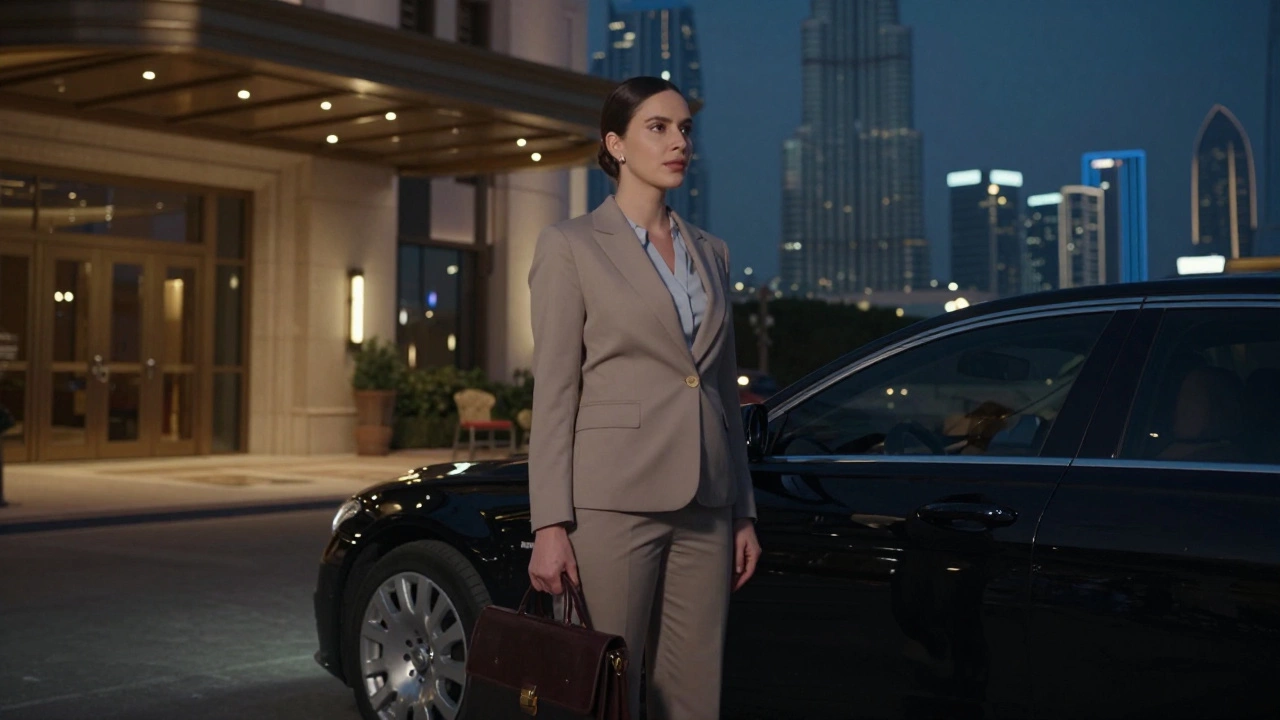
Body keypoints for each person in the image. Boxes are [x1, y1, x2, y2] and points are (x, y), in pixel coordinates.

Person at [526, 75, 761, 719]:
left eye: (684, 128)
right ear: (616, 144)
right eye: (658, 127)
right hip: (612, 500)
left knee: (692, 692)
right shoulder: (570, 246)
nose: (678, 141)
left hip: (707, 501)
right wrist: (549, 525)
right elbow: (554, 392)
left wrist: (742, 510)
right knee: (606, 690)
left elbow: (718, 387)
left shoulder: (711, 252)